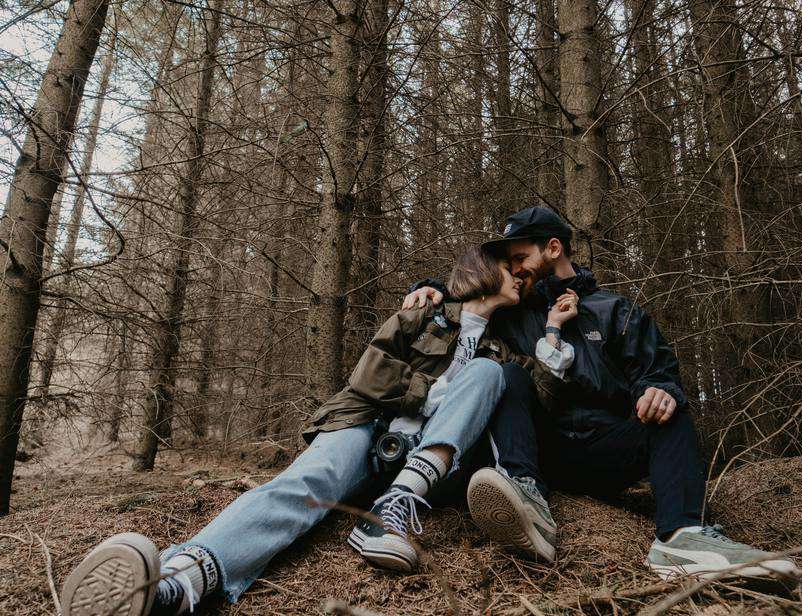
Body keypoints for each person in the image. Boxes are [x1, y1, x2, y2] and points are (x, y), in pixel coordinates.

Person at [60, 246, 579, 616]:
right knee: (305, 484)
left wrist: (554, 332)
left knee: (488, 373)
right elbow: (370, 375)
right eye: (510, 270)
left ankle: (395, 506)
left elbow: (535, 403)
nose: (520, 278)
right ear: (481, 272)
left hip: (426, 468)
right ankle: (179, 584)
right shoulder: (422, 315)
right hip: (365, 426)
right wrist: (435, 392)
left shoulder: (496, 353)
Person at [403, 206, 797, 582]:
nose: (515, 269)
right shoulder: (513, 312)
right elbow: (470, 301)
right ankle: (526, 499)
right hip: (540, 450)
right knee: (506, 374)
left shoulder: (616, 311)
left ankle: (683, 539)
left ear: (553, 248)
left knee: (671, 409)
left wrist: (657, 391)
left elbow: (656, 370)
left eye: (521, 257)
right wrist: (430, 289)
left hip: (608, 451)